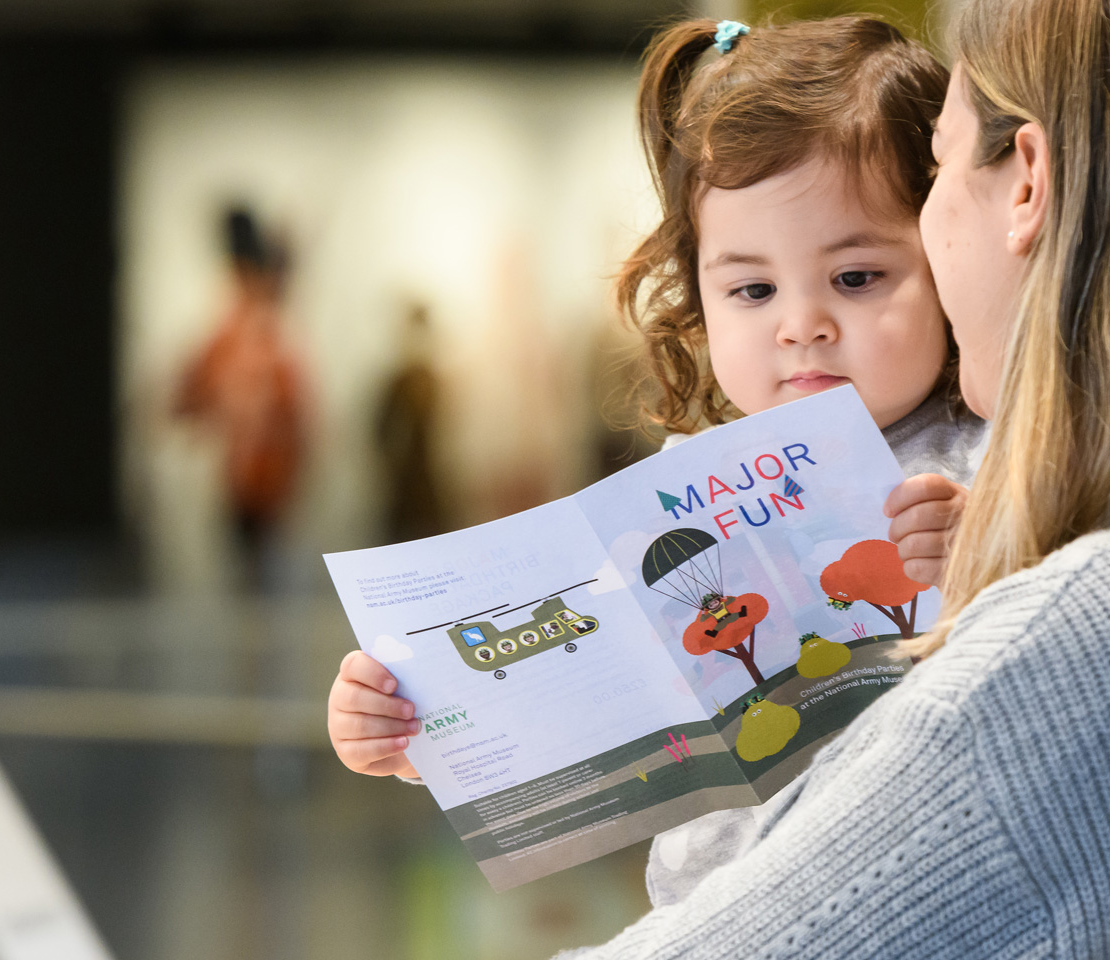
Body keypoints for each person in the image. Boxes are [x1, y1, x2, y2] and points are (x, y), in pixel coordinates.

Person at [522, 0, 1110, 955]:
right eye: (752, 287)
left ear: (1026, 183)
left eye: (937, 168)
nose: (803, 323)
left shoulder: (1098, 619)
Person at [325, 15, 986, 907]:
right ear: (698, 296)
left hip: (913, 905)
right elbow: (580, 695)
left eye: (857, 277)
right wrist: (416, 731)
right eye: (752, 289)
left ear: (946, 254)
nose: (801, 325)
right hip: (714, 912)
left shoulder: (988, 454)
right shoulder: (683, 488)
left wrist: (987, 552)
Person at [176, 207, 310, 592]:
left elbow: (295, 416)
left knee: (263, 581)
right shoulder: (236, 331)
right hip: (243, 478)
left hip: (266, 479)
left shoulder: (267, 337)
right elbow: (190, 396)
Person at [373, 302, 447, 542]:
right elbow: (380, 430)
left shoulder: (435, 380)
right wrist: (391, 466)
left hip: (432, 484)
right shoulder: (399, 382)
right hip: (404, 487)